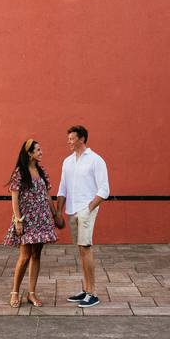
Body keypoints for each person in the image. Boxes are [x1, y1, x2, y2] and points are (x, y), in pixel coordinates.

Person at [56, 125, 110, 308]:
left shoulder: (96, 160)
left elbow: (104, 189)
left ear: (82, 139)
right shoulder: (67, 162)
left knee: (86, 248)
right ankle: (86, 290)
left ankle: (93, 293)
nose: (68, 142)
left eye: (71, 139)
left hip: (86, 210)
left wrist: (89, 208)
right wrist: (58, 212)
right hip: (71, 210)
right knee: (81, 249)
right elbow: (62, 188)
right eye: (68, 139)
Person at [3, 138, 61, 308]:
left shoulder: (42, 171)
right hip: (28, 221)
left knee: (36, 255)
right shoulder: (20, 173)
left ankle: (31, 294)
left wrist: (55, 213)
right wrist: (18, 221)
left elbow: (47, 195)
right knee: (24, 256)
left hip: (42, 220)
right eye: (38, 150)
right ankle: (14, 292)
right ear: (29, 153)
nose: (41, 152)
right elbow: (14, 198)